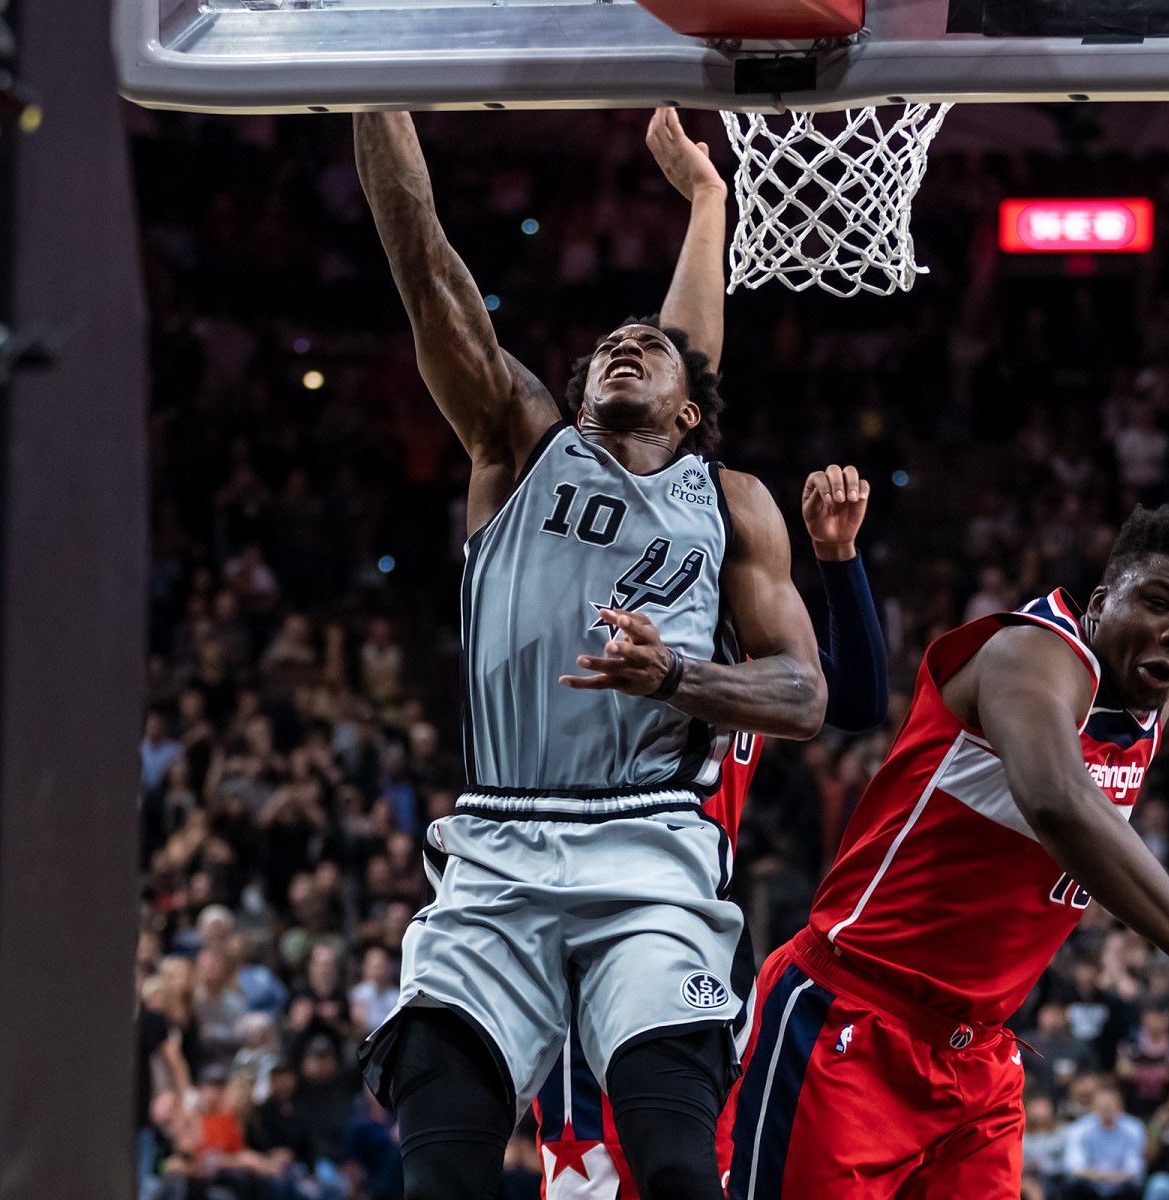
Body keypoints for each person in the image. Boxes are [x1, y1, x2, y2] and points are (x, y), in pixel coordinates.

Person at [351, 106, 826, 1200]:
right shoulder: (521, 446)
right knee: (440, 1174)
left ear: (691, 411)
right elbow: (422, 259)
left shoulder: (733, 502)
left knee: (674, 1166)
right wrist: (375, 87)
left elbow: (805, 696)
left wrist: (676, 677)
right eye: (609, 344)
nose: (626, 343)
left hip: (649, 853)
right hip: (497, 845)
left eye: (649, 346)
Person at [727, 504, 1169, 1198]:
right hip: (854, 1017)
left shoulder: (1154, 688)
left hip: (976, 1059)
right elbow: (1058, 801)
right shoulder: (1031, 653)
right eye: (1158, 604)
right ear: (1101, 603)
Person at [536, 463, 889, 1197]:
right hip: (602, 908)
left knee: (699, 1169)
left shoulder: (761, 661)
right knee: (591, 1176)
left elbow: (858, 701)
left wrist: (837, 557)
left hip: (699, 923)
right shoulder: (626, 629)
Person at [1061, 1084, 1147, 1200]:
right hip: (1089, 1185)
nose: (1106, 1110)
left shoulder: (1134, 1128)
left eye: (1110, 1106)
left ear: (1120, 1107)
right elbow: (1072, 1168)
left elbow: (1135, 1169)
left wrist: (1115, 1178)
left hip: (1121, 1185)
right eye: (1102, 1106)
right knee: (1072, 1186)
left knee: (1134, 1187)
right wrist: (1095, 1176)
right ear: (1093, 1108)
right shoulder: (1078, 1129)